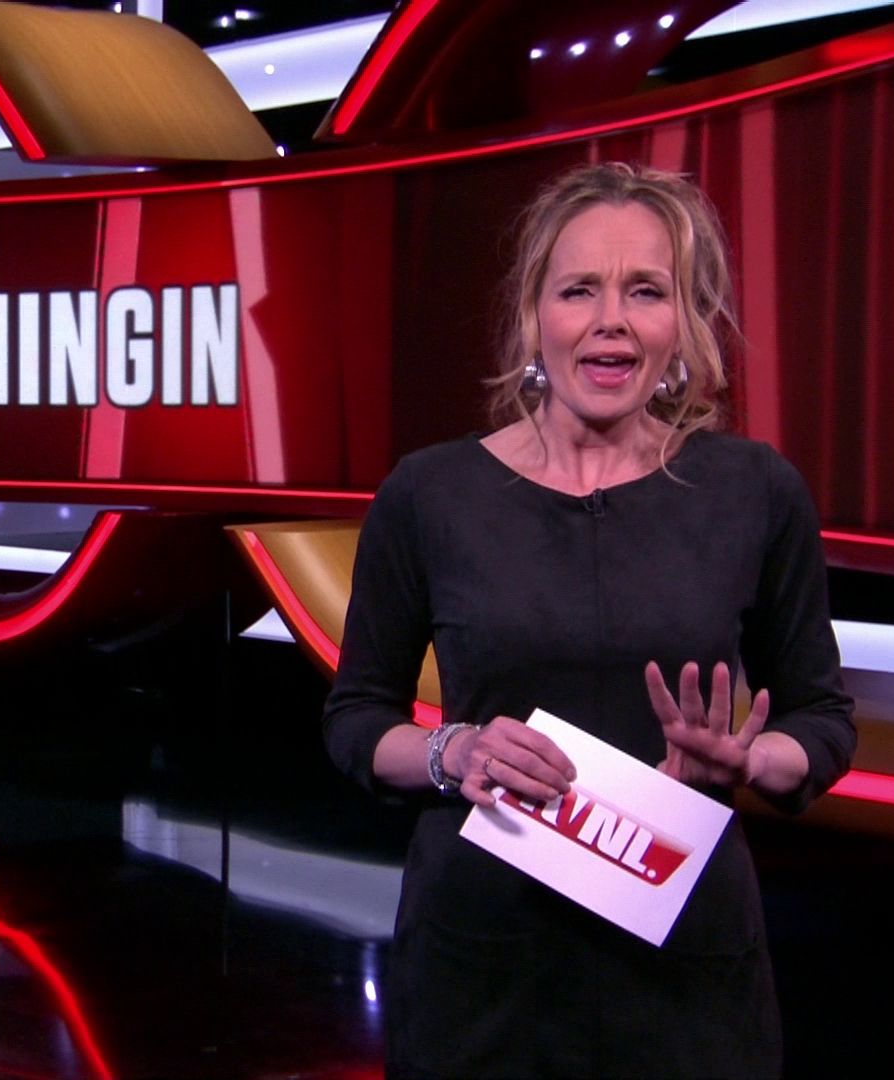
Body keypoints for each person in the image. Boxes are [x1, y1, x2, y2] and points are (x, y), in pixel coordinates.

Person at [322, 161, 855, 1078]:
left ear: (682, 323)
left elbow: (823, 719)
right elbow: (356, 720)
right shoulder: (430, 494)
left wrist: (752, 760)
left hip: (685, 983)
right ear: (535, 315)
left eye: (646, 290)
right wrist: (455, 751)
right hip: (482, 984)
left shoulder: (755, 492)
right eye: (580, 290)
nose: (612, 318)